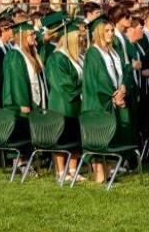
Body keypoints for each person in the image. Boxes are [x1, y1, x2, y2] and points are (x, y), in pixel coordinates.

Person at [82, 16, 133, 184]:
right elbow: (98, 79)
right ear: (98, 32)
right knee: (101, 137)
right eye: (107, 31)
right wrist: (113, 96)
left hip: (115, 99)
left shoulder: (114, 51)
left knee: (113, 136)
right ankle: (100, 175)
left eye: (112, 30)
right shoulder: (93, 52)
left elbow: (126, 70)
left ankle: (109, 172)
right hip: (99, 102)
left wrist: (123, 88)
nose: (111, 33)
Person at [44, 20, 85, 182]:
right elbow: (64, 84)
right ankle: (61, 171)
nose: (82, 39)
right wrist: (85, 86)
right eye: (79, 36)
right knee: (62, 138)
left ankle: (73, 170)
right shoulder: (57, 58)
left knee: (75, 138)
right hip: (62, 104)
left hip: (76, 104)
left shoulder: (78, 56)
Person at [2, 20, 48, 115]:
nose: (35, 36)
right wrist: (23, 104)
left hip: (36, 103)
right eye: (31, 34)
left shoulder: (31, 52)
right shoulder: (15, 55)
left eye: (34, 34)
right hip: (25, 106)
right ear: (22, 36)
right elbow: (17, 82)